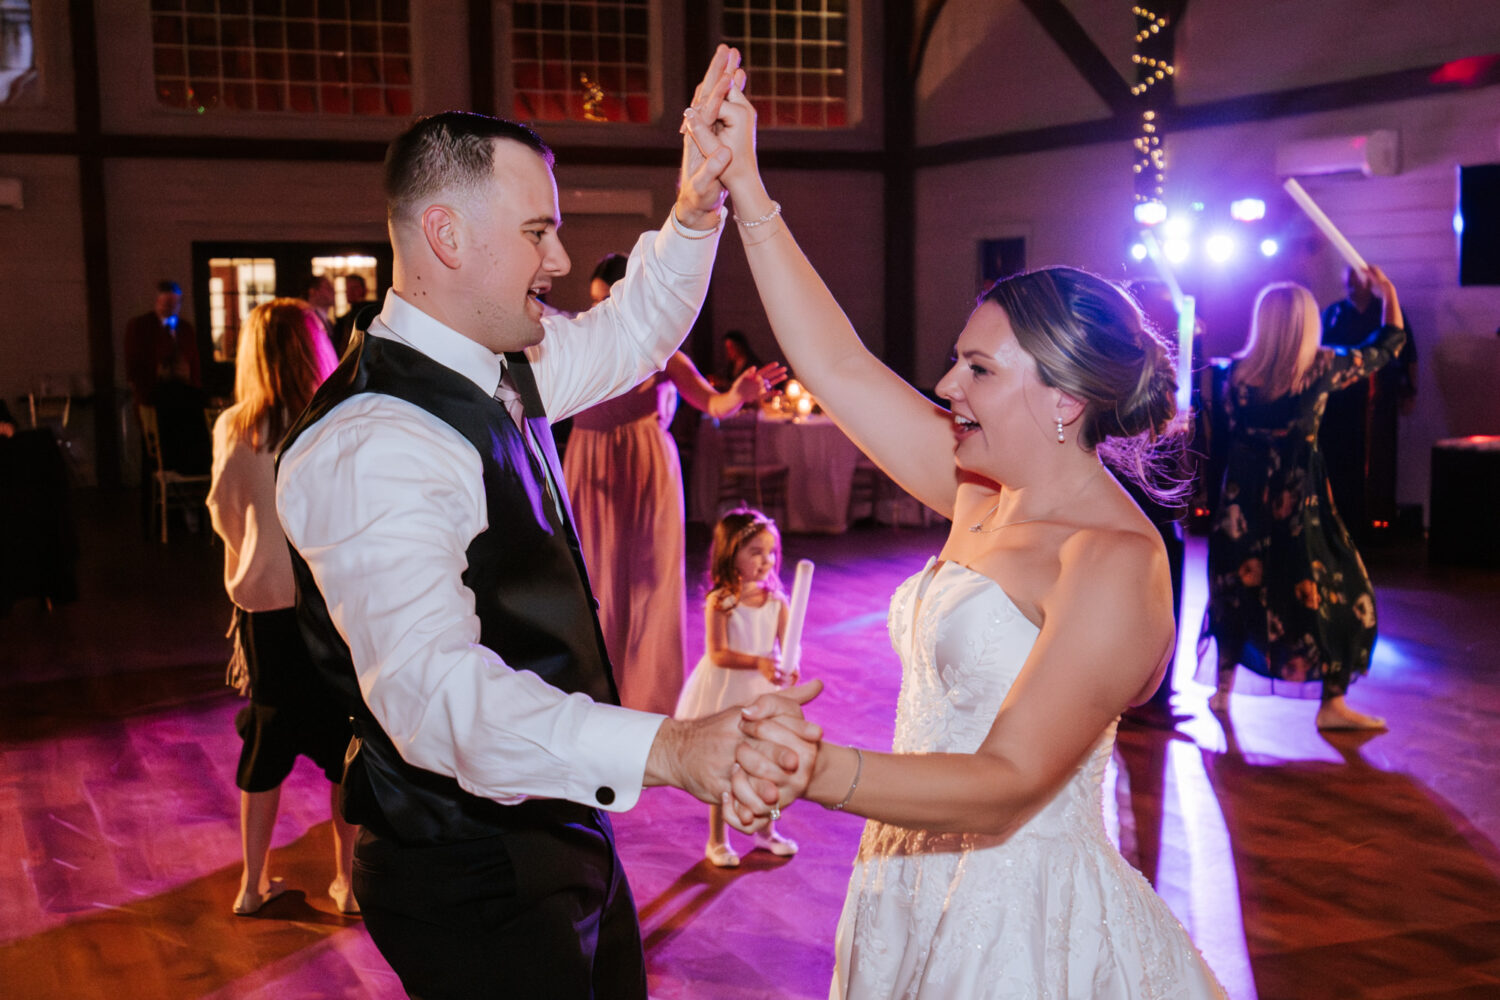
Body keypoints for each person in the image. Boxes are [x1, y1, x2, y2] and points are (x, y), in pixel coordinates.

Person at [274, 46, 820, 1000]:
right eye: (538, 233)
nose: (561, 261)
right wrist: (672, 748)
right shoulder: (372, 445)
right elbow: (439, 699)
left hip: (554, 822)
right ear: (445, 235)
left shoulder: (497, 358)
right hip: (471, 874)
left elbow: (635, 331)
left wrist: (697, 205)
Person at [709, 75, 1225, 998]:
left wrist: (815, 770)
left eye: (977, 368)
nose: (948, 385)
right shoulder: (982, 489)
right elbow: (836, 363)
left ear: (1064, 400)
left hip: (1023, 925)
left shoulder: (1112, 562)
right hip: (903, 873)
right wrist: (745, 187)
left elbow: (1009, 778)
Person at [563, 252, 786, 715]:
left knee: (648, 577)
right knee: (594, 578)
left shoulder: (661, 352)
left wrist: (740, 394)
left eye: (611, 301)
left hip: (644, 464)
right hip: (591, 461)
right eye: (596, 302)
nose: (602, 311)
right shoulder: (576, 344)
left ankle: (645, 696)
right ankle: (591, 693)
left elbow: (713, 403)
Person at [1201, 274, 1406, 731]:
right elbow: (1389, 343)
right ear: (1306, 325)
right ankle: (1331, 705)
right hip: (1299, 508)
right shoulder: (1322, 367)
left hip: (1242, 507)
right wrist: (1387, 292)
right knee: (1336, 591)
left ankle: (1223, 689)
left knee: (1238, 590)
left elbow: (1221, 436)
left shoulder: (1230, 375)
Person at [208, 298, 354, 916]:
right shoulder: (338, 417)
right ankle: (348, 883)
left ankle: (251, 884)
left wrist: (251, 556)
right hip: (333, 606)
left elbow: (220, 508)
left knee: (268, 738)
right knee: (346, 743)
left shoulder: (236, 426)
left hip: (264, 608)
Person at [676, 508, 800, 867]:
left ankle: (767, 832)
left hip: (764, 691)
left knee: (767, 764)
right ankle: (717, 841)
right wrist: (758, 662)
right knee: (725, 765)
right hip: (728, 690)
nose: (767, 560)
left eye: (771, 552)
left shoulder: (777, 601)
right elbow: (716, 654)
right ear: (732, 554)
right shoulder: (721, 601)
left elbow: (790, 645)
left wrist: (791, 669)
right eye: (756, 552)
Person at [1320, 264, 1418, 538]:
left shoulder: (1385, 310)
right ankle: (1341, 520)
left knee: (1377, 461)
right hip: (1338, 407)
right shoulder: (1333, 313)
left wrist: (1410, 391)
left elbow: (1405, 349)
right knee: (1339, 461)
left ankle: (1374, 520)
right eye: (1347, 276)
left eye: (1357, 277)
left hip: (1377, 404)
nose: (1351, 281)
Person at [124, 279, 211, 478]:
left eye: (175, 304)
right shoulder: (141, 327)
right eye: (166, 304)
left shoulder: (185, 329)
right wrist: (159, 372)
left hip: (185, 398)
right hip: (156, 400)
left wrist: (188, 377)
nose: (171, 309)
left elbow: (194, 365)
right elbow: (134, 368)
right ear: (157, 302)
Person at [331, 273, 370, 358]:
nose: (350, 292)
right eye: (347, 288)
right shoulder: (342, 320)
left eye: (355, 288)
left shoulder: (371, 316)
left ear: (364, 290)